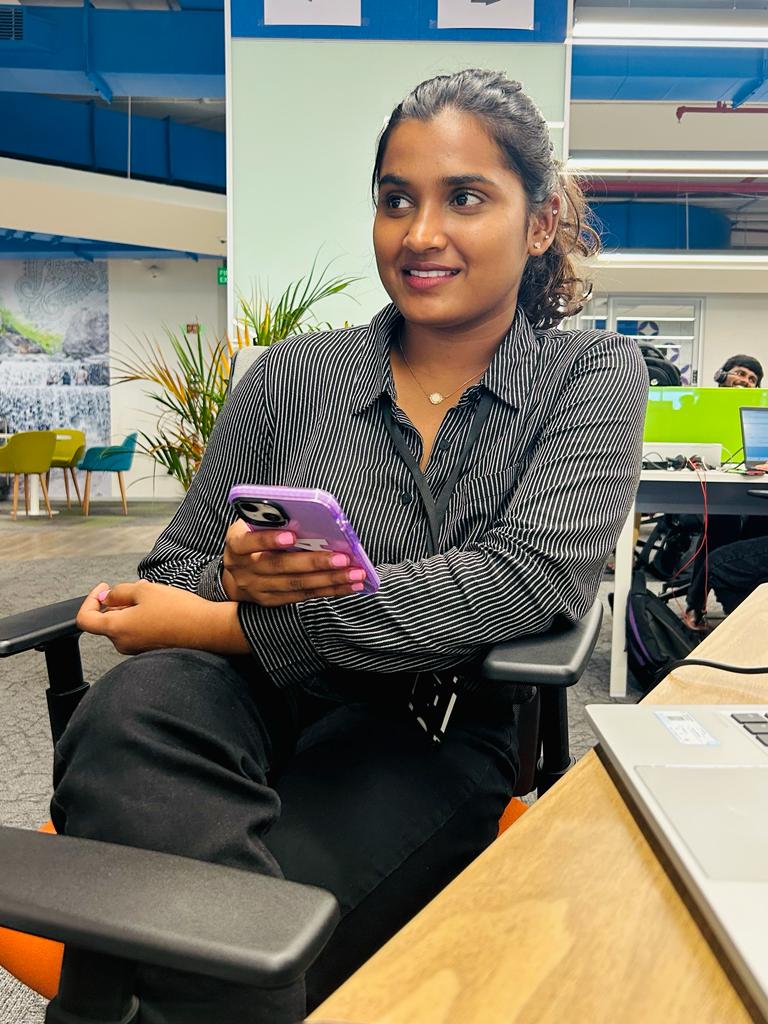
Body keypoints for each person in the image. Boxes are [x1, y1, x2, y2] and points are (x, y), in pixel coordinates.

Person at [51, 69, 648, 1023]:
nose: (420, 233)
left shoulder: (590, 375)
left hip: (428, 724)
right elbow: (174, 570)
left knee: (214, 937)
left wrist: (234, 621)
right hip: (245, 697)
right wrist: (232, 576)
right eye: (395, 200)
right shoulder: (294, 375)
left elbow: (524, 582)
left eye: (465, 198)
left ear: (539, 223)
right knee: (131, 712)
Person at [683, 351, 767, 628]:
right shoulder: (701, 405)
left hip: (753, 489)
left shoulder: (758, 417)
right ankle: (696, 603)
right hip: (712, 489)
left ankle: (747, 610)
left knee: (759, 522)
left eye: (752, 379)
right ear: (722, 375)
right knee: (721, 523)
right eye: (740, 373)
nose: (745, 381)